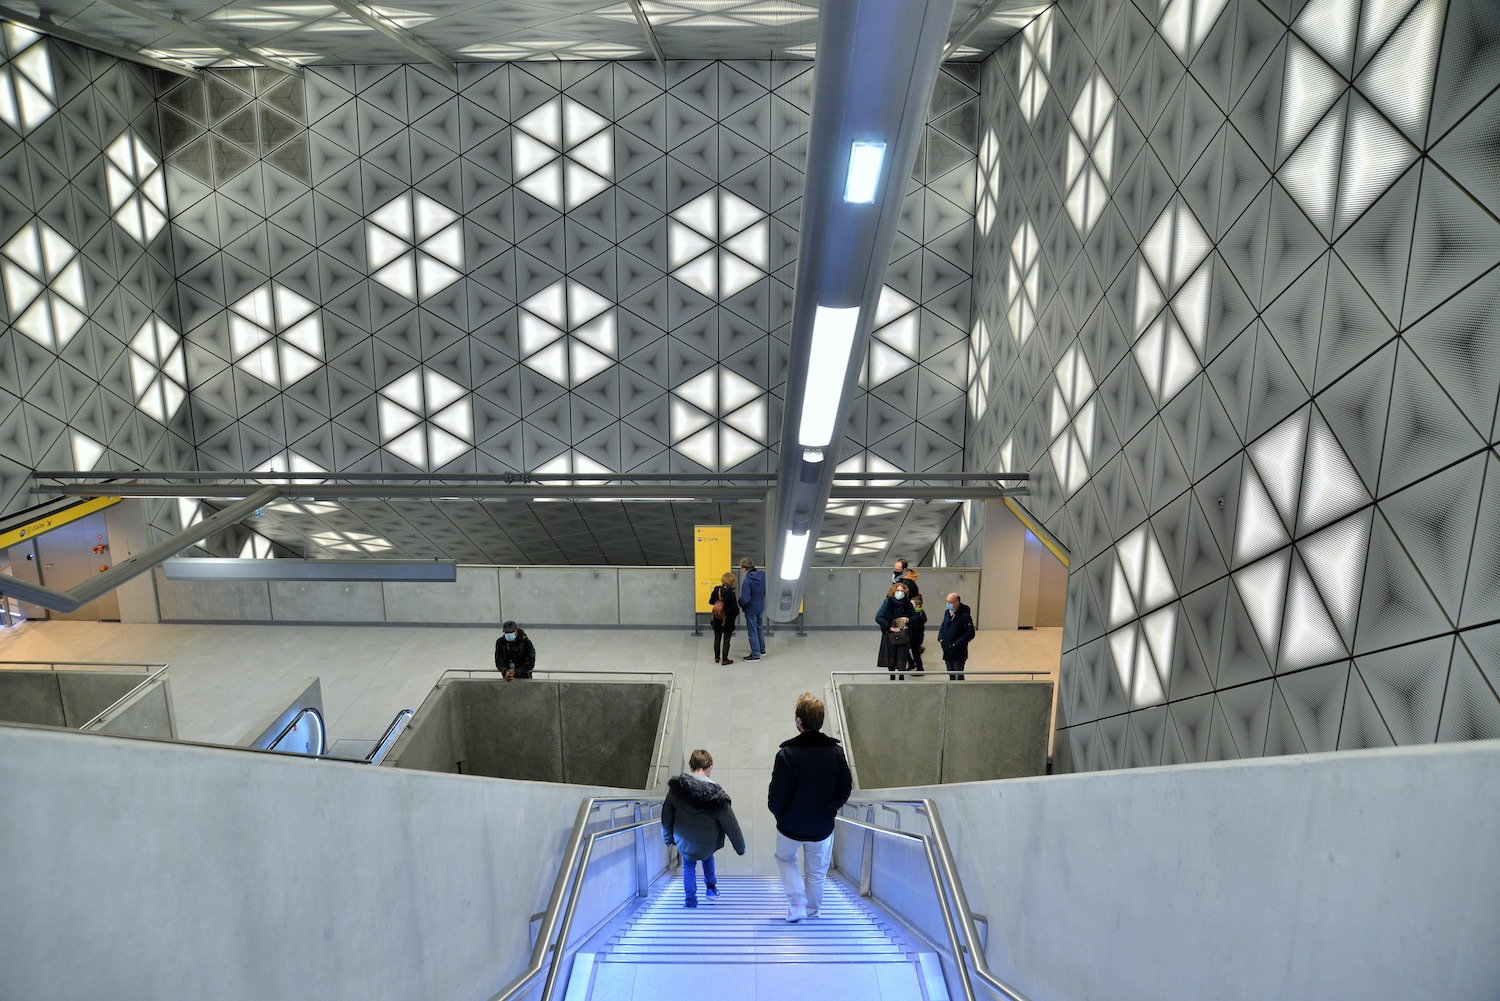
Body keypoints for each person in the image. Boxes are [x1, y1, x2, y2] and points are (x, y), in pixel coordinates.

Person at [768, 692, 852, 923]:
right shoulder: (835, 752)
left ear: (799, 722)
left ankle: (796, 904)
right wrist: (831, 808)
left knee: (785, 859)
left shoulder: (786, 754)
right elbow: (845, 789)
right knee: (816, 872)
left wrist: (780, 813)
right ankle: (813, 911)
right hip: (821, 827)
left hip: (790, 825)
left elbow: (776, 796)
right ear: (821, 721)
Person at [662, 748, 746, 908]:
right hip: (708, 843)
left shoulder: (677, 789)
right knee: (708, 856)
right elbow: (731, 824)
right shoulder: (718, 796)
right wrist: (740, 847)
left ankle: (690, 901)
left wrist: (667, 837)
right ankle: (711, 889)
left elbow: (666, 814)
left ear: (691, 766)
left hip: (684, 841)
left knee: (688, 865)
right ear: (710, 767)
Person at [875, 581, 919, 680]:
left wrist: (908, 619)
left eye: (902, 591)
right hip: (890, 635)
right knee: (891, 659)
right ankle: (892, 677)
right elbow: (878, 617)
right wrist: (889, 627)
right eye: (898, 590)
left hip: (903, 635)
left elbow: (915, 617)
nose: (900, 593)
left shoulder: (908, 603)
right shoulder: (888, 602)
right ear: (893, 591)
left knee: (902, 658)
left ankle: (901, 678)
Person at [892, 559, 925, 671]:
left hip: (908, 618)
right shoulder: (899, 579)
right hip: (904, 616)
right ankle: (912, 663)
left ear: (904, 569)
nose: (895, 570)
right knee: (904, 642)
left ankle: (917, 666)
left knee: (909, 644)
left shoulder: (908, 583)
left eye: (897, 569)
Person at [937, 592, 976, 681]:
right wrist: (940, 637)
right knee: (950, 673)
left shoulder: (964, 616)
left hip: (958, 651)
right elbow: (943, 626)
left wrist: (957, 643)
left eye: (950, 602)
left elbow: (970, 633)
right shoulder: (947, 613)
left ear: (957, 603)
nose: (948, 604)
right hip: (947, 649)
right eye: (947, 601)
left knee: (958, 673)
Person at [738, 557, 766, 661]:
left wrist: (739, 602)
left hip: (751, 609)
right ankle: (762, 650)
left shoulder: (747, 581)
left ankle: (755, 655)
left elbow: (746, 599)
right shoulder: (762, 575)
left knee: (752, 632)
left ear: (745, 568)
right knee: (759, 628)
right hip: (760, 606)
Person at [709, 571, 739, 665]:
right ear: (732, 582)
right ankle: (725, 659)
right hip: (727, 620)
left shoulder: (716, 590)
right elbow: (735, 609)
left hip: (717, 618)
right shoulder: (731, 594)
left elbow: (711, 602)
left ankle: (717, 657)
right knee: (726, 639)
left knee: (717, 638)